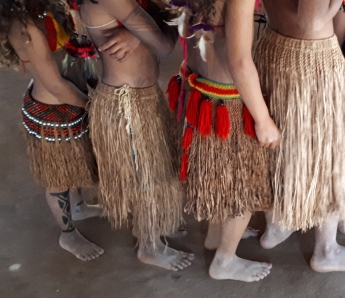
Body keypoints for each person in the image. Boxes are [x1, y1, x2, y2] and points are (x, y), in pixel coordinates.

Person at [253, 0, 345, 273]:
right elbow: (311, 20)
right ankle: (326, 250)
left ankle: (277, 224)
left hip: (273, 44)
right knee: (329, 155)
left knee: (282, 148)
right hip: (313, 61)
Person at [77, 0, 194, 271]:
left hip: (141, 98)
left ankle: (159, 223)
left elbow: (163, 26)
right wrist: (145, 33)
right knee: (147, 177)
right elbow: (165, 46)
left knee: (157, 168)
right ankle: (149, 247)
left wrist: (136, 33)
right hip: (125, 104)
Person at [167, 0, 275, 282]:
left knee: (219, 179)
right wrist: (263, 120)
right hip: (228, 102)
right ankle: (225, 260)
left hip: (200, 90)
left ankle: (216, 237)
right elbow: (239, 62)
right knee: (241, 188)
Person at [1, 0, 103, 260]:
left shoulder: (46, 7)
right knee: (58, 178)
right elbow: (56, 85)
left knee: (74, 165)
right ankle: (67, 234)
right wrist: (94, 107)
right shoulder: (23, 25)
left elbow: (77, 51)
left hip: (71, 104)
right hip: (53, 113)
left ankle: (78, 207)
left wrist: (91, 81)